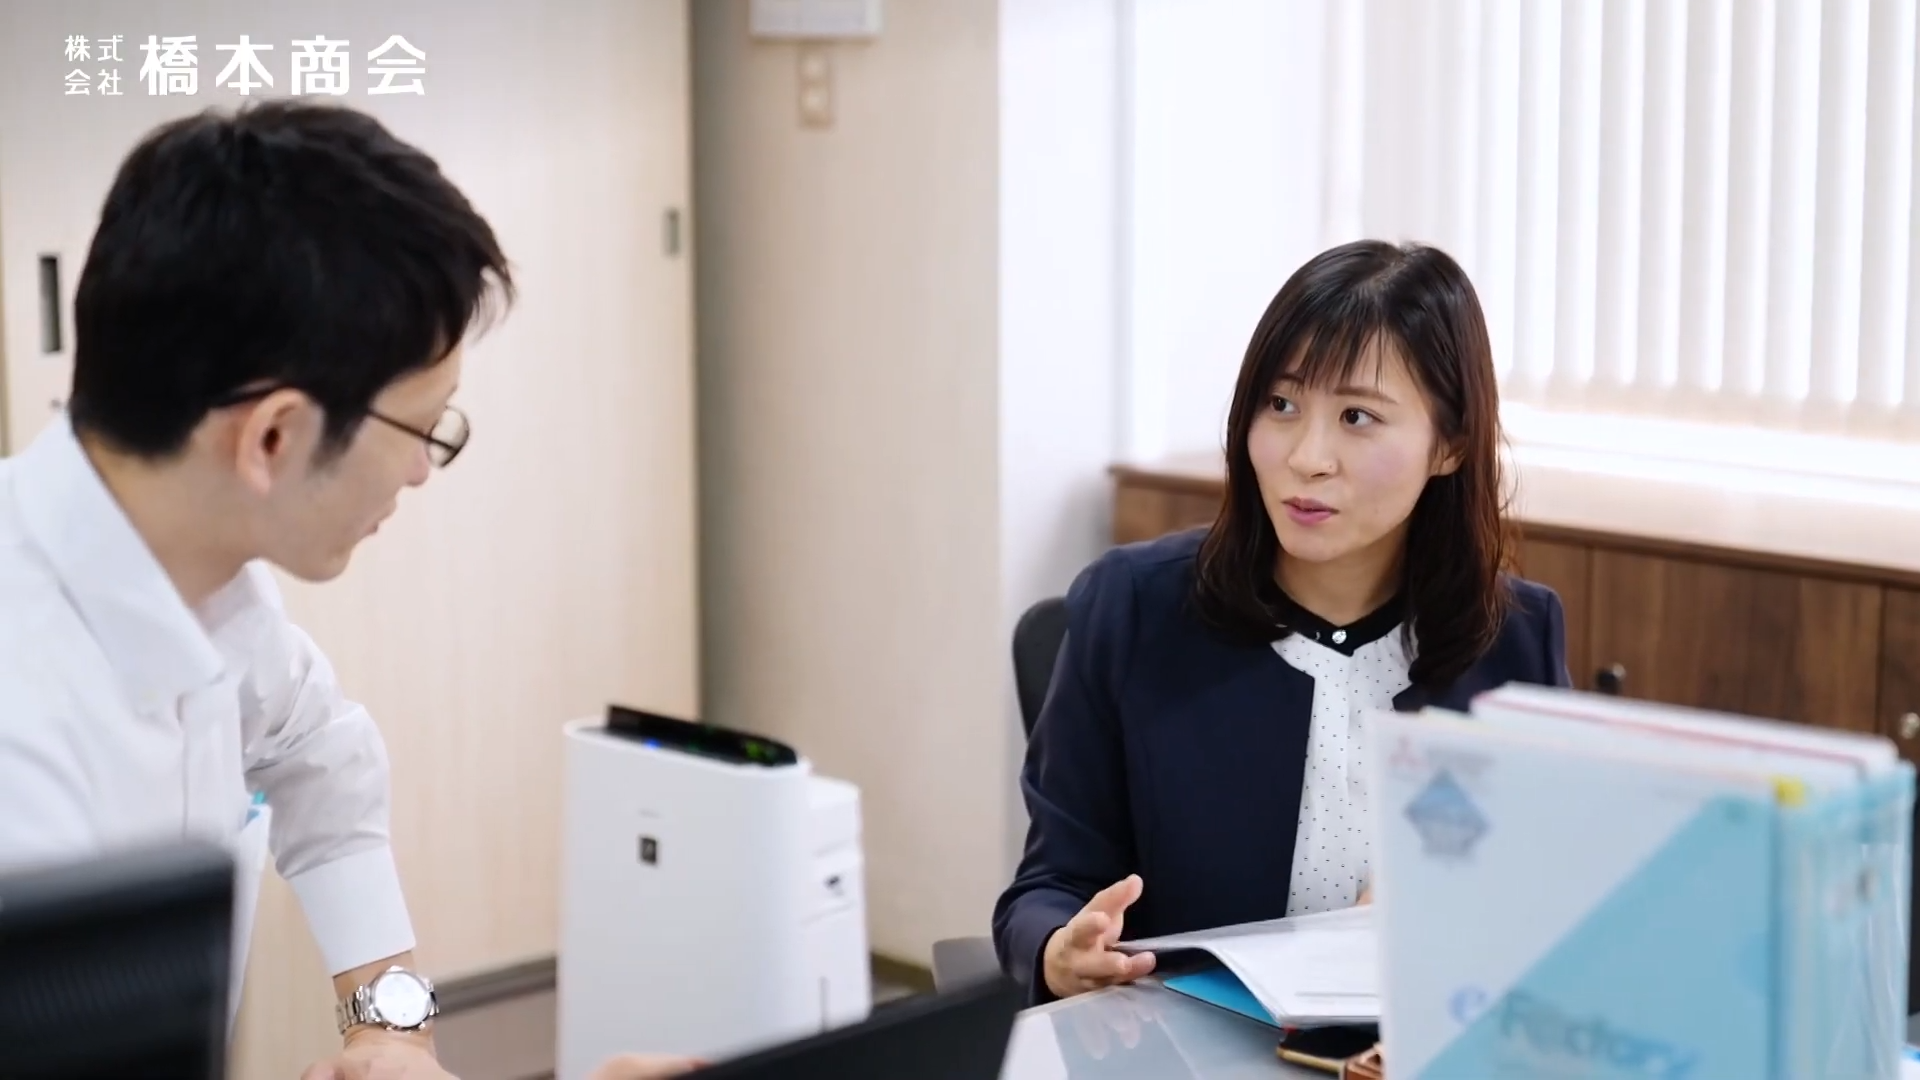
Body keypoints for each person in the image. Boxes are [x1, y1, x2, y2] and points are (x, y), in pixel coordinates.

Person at [0, 102, 699, 1080]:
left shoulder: (194, 569)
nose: (420, 472)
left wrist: (390, 1026)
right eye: (422, 429)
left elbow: (320, 755)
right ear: (273, 437)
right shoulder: (23, 749)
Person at [991, 240, 1573, 1003]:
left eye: (1357, 416)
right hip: (1189, 1044)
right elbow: (1046, 889)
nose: (1308, 456)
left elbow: (1554, 902)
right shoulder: (1131, 607)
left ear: (1450, 445)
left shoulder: (1517, 639)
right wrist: (1060, 951)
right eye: (1282, 405)